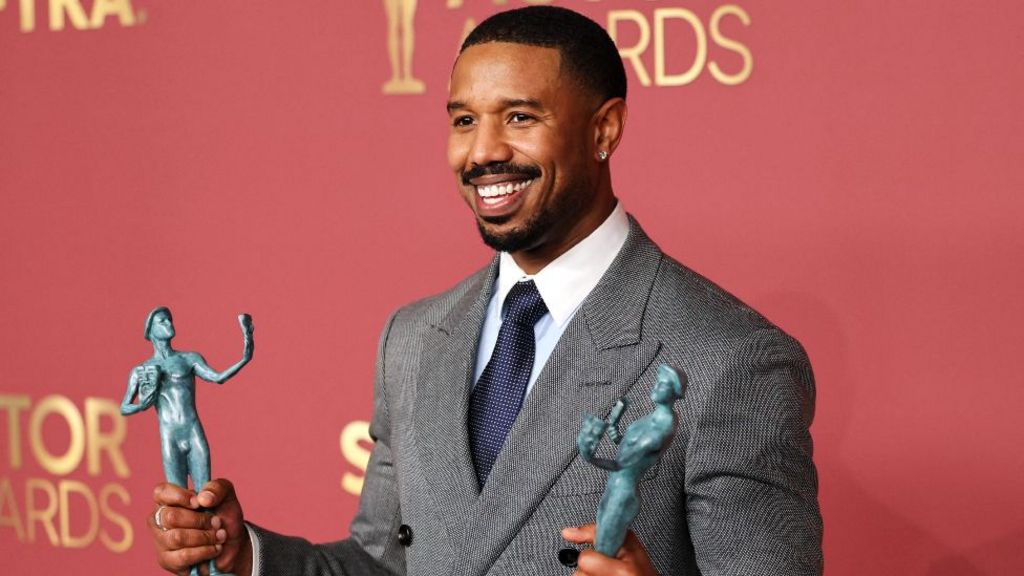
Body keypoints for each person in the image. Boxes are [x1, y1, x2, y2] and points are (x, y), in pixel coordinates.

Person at [145, 6, 822, 576]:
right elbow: (387, 563)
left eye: (520, 118)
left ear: (604, 129)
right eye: (464, 120)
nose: (481, 153)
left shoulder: (729, 359)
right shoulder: (412, 339)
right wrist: (246, 554)